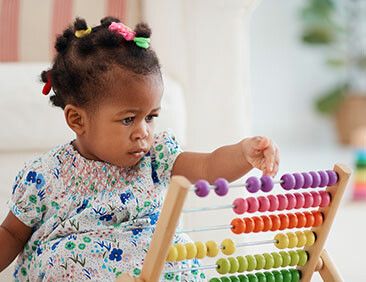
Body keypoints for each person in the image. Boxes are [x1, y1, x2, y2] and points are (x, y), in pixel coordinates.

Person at [0, 17, 279, 281]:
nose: (143, 131)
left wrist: (242, 153)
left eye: (150, 117)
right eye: (127, 119)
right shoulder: (45, 175)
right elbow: (11, 234)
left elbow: (208, 167)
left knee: (179, 252)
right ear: (77, 120)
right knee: (66, 262)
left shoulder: (156, 156)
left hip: (151, 264)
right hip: (79, 264)